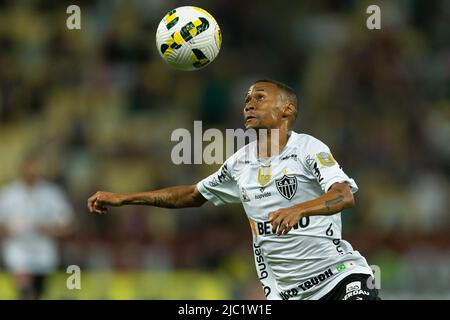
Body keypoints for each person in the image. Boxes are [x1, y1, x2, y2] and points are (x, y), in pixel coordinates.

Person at [87, 79, 380, 300]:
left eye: (260, 98)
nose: (249, 104)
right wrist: (124, 198)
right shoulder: (240, 163)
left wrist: (299, 208)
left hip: (339, 278)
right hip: (286, 293)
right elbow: (190, 195)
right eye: (247, 99)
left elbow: (344, 194)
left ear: (286, 109)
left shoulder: (308, 148)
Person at [0, 156, 75, 299]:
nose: (32, 171)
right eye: (29, 167)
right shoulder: (8, 194)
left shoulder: (52, 194)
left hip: (44, 253)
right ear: (21, 169)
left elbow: (69, 225)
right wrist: (7, 229)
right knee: (25, 288)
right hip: (18, 250)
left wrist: (51, 229)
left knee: (38, 294)